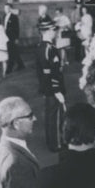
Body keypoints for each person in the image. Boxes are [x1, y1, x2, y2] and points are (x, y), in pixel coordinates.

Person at [36, 19, 66, 152]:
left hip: (47, 88)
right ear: (48, 31)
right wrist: (57, 90)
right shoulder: (48, 49)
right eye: (54, 30)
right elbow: (49, 72)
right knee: (56, 116)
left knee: (50, 115)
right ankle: (57, 143)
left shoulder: (41, 47)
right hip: (53, 89)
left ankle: (52, 142)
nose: (55, 32)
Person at [3, 3, 25, 72]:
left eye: (7, 8)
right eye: (5, 8)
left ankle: (9, 68)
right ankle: (21, 64)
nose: (6, 10)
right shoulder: (4, 16)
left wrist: (16, 38)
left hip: (12, 37)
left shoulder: (14, 17)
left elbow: (17, 28)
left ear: (10, 9)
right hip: (6, 36)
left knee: (11, 52)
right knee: (14, 51)